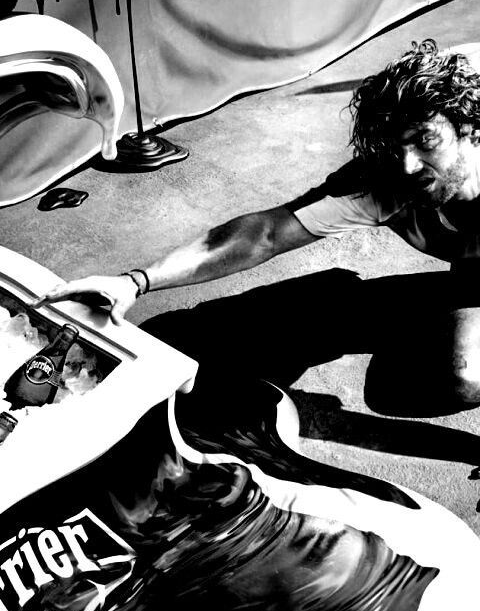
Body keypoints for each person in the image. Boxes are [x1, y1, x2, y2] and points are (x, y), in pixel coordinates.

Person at [32, 39, 480, 414]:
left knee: (458, 373)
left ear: (470, 128)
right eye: (398, 147)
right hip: (466, 277)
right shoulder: (387, 181)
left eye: (426, 140)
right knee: (379, 370)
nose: (409, 164)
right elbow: (265, 233)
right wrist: (136, 281)